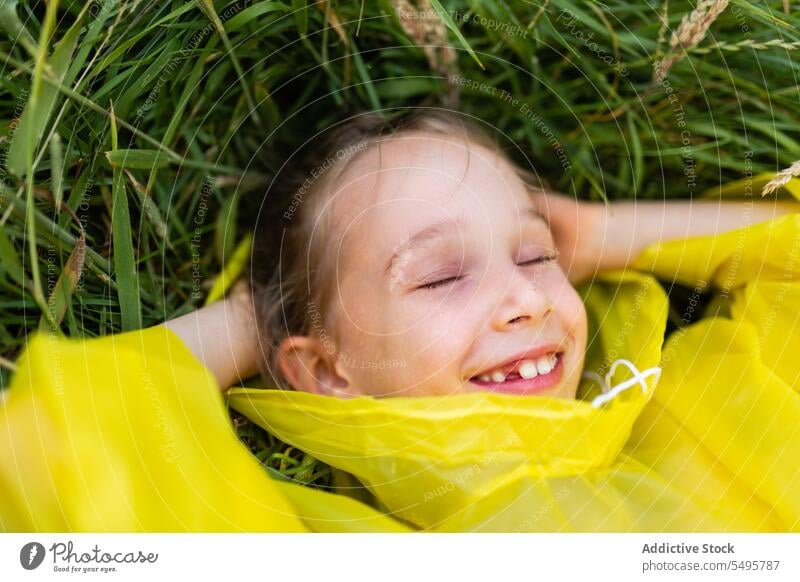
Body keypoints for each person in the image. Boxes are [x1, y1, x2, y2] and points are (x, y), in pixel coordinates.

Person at [164, 109, 798, 397]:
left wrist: (601, 233)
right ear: (331, 372)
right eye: (441, 277)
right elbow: (74, 423)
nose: (525, 299)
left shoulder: (666, 409)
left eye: (534, 257)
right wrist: (253, 323)